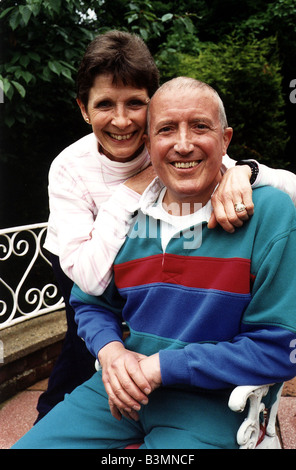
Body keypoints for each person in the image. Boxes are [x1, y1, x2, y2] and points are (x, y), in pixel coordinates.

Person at [14, 77, 296, 449]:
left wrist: (162, 368)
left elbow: (281, 345)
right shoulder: (127, 216)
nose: (183, 144)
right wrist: (111, 352)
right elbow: (90, 301)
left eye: (199, 127)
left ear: (225, 140)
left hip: (209, 402)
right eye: (166, 129)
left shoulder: (269, 214)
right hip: (118, 392)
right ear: (149, 143)